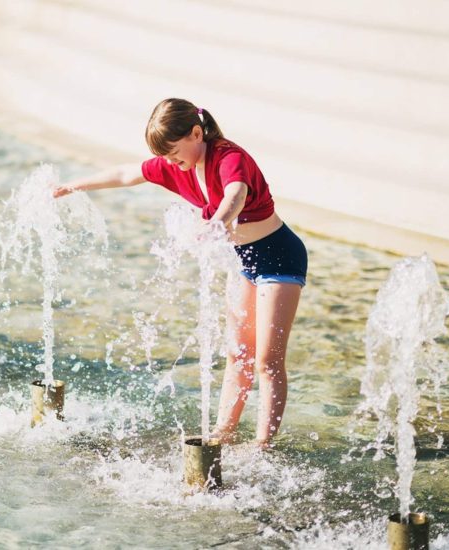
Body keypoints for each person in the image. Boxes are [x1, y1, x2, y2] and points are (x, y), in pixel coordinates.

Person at [54, 98, 308, 448]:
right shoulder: (177, 165)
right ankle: (223, 433)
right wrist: (74, 185)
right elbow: (126, 174)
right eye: (168, 159)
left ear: (196, 132)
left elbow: (235, 194)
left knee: (267, 359)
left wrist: (217, 223)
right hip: (245, 261)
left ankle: (264, 445)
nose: (173, 164)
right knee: (237, 353)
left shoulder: (229, 156)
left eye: (175, 154)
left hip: (279, 258)